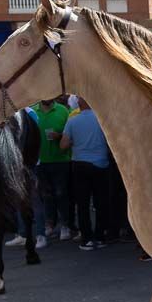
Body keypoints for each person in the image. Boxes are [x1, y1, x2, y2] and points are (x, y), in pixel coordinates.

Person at [60, 96, 111, 251]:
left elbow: (63, 145)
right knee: (101, 202)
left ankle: (87, 238)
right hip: (101, 163)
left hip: (80, 164)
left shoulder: (72, 121)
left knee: (82, 204)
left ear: (79, 104)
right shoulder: (101, 119)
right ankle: (100, 236)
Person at [32, 96, 74, 241]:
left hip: (61, 160)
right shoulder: (33, 111)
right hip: (40, 161)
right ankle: (50, 224)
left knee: (62, 194)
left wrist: (59, 136)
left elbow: (71, 134)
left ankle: (65, 225)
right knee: (46, 195)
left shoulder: (63, 111)